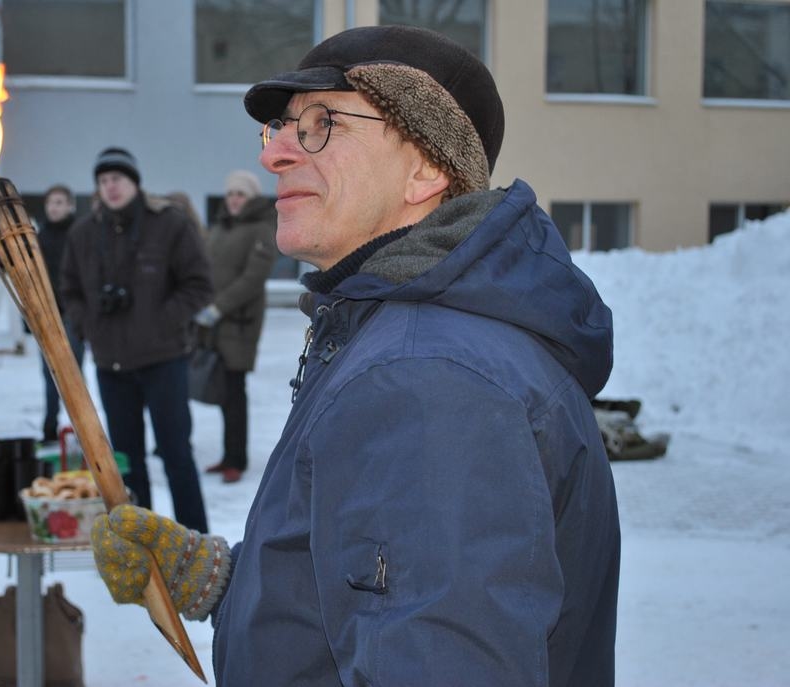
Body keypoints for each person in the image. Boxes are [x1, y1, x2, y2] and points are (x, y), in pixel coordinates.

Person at [91, 25, 620, 687]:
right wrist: (227, 582)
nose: (277, 153)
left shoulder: (428, 377)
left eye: (322, 124)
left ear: (427, 166)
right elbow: (378, 600)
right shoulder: (402, 335)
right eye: (282, 127)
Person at [60, 147, 213, 533]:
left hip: (165, 359)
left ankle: (195, 538)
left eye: (118, 179)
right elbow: (69, 290)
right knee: (127, 460)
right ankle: (140, 541)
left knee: (177, 453)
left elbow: (199, 285)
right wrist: (87, 325)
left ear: (134, 182)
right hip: (112, 364)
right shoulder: (83, 234)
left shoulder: (170, 225)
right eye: (103, 181)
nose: (110, 187)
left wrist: (163, 321)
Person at [195, 170, 278, 483]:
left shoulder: (261, 229)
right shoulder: (220, 228)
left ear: (252, 198)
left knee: (234, 392)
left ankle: (236, 460)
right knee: (222, 390)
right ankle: (228, 455)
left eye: (240, 194)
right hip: (214, 321)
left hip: (238, 322)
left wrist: (219, 306)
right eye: (230, 194)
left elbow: (253, 278)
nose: (234, 200)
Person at [36, 184, 85, 445]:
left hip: (71, 315)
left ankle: (82, 427)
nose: (54, 208)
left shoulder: (78, 234)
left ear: (69, 205)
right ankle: (49, 424)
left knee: (73, 374)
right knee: (49, 372)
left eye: (59, 202)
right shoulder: (39, 237)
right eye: (50, 203)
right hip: (46, 314)